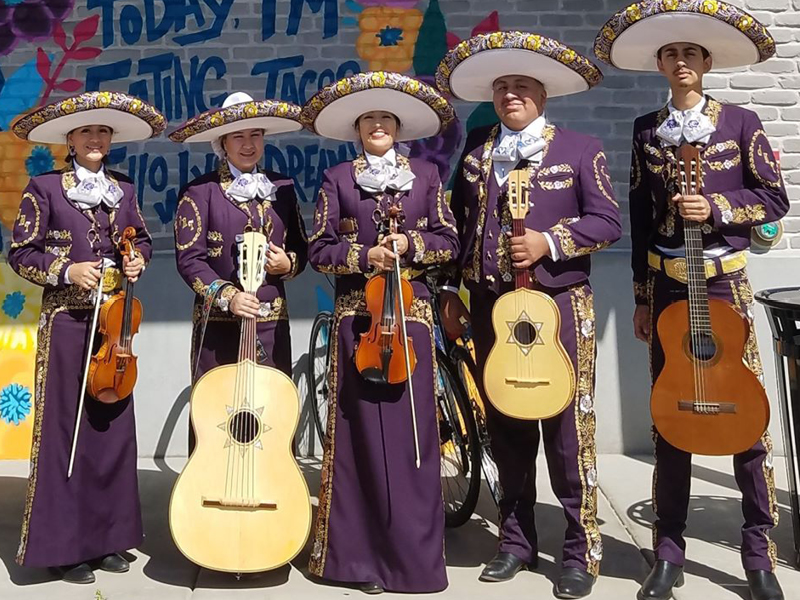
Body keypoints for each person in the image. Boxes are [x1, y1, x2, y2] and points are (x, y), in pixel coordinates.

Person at [593, 4, 789, 600]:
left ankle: (758, 554)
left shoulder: (740, 123)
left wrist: (722, 210)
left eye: (691, 54)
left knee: (746, 421)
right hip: (669, 285)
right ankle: (668, 555)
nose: (681, 62)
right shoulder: (646, 130)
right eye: (670, 54)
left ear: (706, 63)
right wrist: (641, 299)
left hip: (725, 287)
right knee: (672, 418)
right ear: (659, 64)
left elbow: (773, 200)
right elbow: (638, 217)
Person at [436, 32, 622, 598]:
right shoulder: (475, 151)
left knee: (567, 433)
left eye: (520, 86)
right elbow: (457, 225)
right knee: (507, 428)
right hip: (493, 307)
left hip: (560, 306)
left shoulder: (580, 149)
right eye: (501, 88)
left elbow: (609, 223)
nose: (510, 95)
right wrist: (449, 288)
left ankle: (579, 547)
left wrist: (550, 241)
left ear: (543, 94)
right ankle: (514, 541)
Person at [301, 71, 458, 594]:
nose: (378, 126)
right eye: (369, 119)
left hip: (410, 321)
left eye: (386, 119)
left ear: (399, 127)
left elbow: (449, 241)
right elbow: (318, 249)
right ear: (357, 128)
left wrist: (411, 247)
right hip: (357, 322)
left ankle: (412, 563)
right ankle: (356, 561)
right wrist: (362, 254)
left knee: (414, 440)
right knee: (358, 439)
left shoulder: (428, 175)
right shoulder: (338, 179)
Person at [8, 91, 165, 583]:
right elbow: (21, 253)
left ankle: (107, 538)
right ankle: (65, 545)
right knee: (65, 433)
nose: (95, 138)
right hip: (69, 325)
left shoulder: (123, 188)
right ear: (69, 141)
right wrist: (66, 269)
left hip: (115, 324)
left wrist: (139, 257)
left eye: (103, 132)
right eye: (85, 132)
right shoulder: (45, 187)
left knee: (111, 429)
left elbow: (138, 238)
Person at [170, 92, 307, 430]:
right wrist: (227, 296)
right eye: (238, 137)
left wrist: (288, 265)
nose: (248, 144)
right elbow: (189, 260)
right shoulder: (200, 191)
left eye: (255, 135)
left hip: (271, 323)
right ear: (223, 143)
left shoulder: (283, 187)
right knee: (217, 414)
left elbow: (303, 248)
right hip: (219, 325)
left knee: (272, 413)